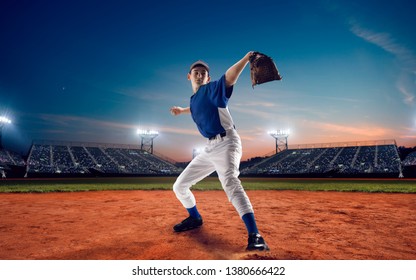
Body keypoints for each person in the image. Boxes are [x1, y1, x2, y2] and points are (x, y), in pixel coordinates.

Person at [170, 51, 269, 251]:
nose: (199, 74)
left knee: (231, 183)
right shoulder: (194, 99)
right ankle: (195, 218)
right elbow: (196, 106)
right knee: (179, 186)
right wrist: (182, 110)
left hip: (227, 143)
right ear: (189, 76)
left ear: (208, 77)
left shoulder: (214, 88)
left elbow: (230, 77)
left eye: (203, 72)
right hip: (209, 148)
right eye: (196, 72)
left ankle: (255, 235)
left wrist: (246, 58)